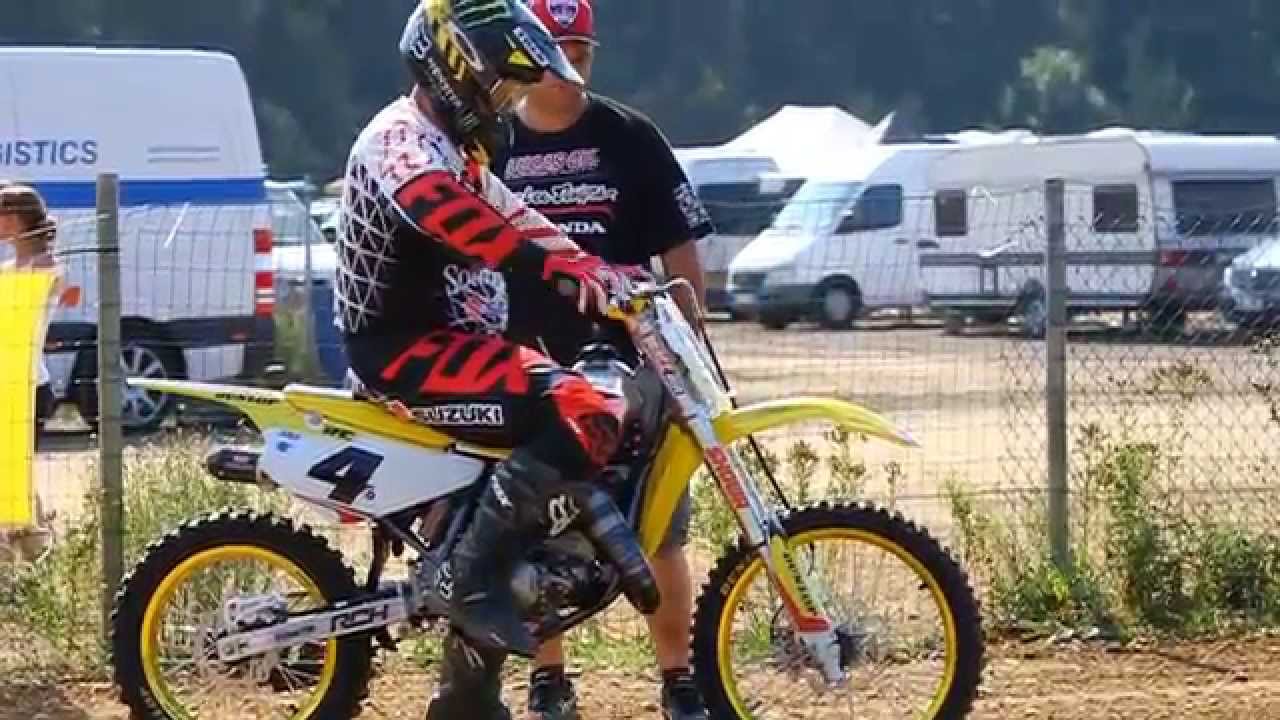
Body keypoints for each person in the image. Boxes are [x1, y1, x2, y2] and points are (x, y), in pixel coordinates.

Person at [334, 2, 651, 718]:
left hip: (454, 347)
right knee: (581, 407)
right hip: (405, 352)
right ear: (457, 68)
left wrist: (603, 275)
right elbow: (447, 212)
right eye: (503, 86)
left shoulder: (456, 150)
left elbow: (516, 217)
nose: (507, 104)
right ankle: (467, 582)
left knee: (516, 517)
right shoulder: (400, 142)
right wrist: (551, 269)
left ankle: (465, 700)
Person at [491, 2, 714, 718]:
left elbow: (681, 254)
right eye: (554, 53)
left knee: (660, 529)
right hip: (529, 370)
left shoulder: (630, 138)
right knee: (534, 526)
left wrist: (689, 350)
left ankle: (679, 678)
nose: (568, 69)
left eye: (581, 54)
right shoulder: (490, 144)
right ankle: (548, 678)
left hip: (634, 368)